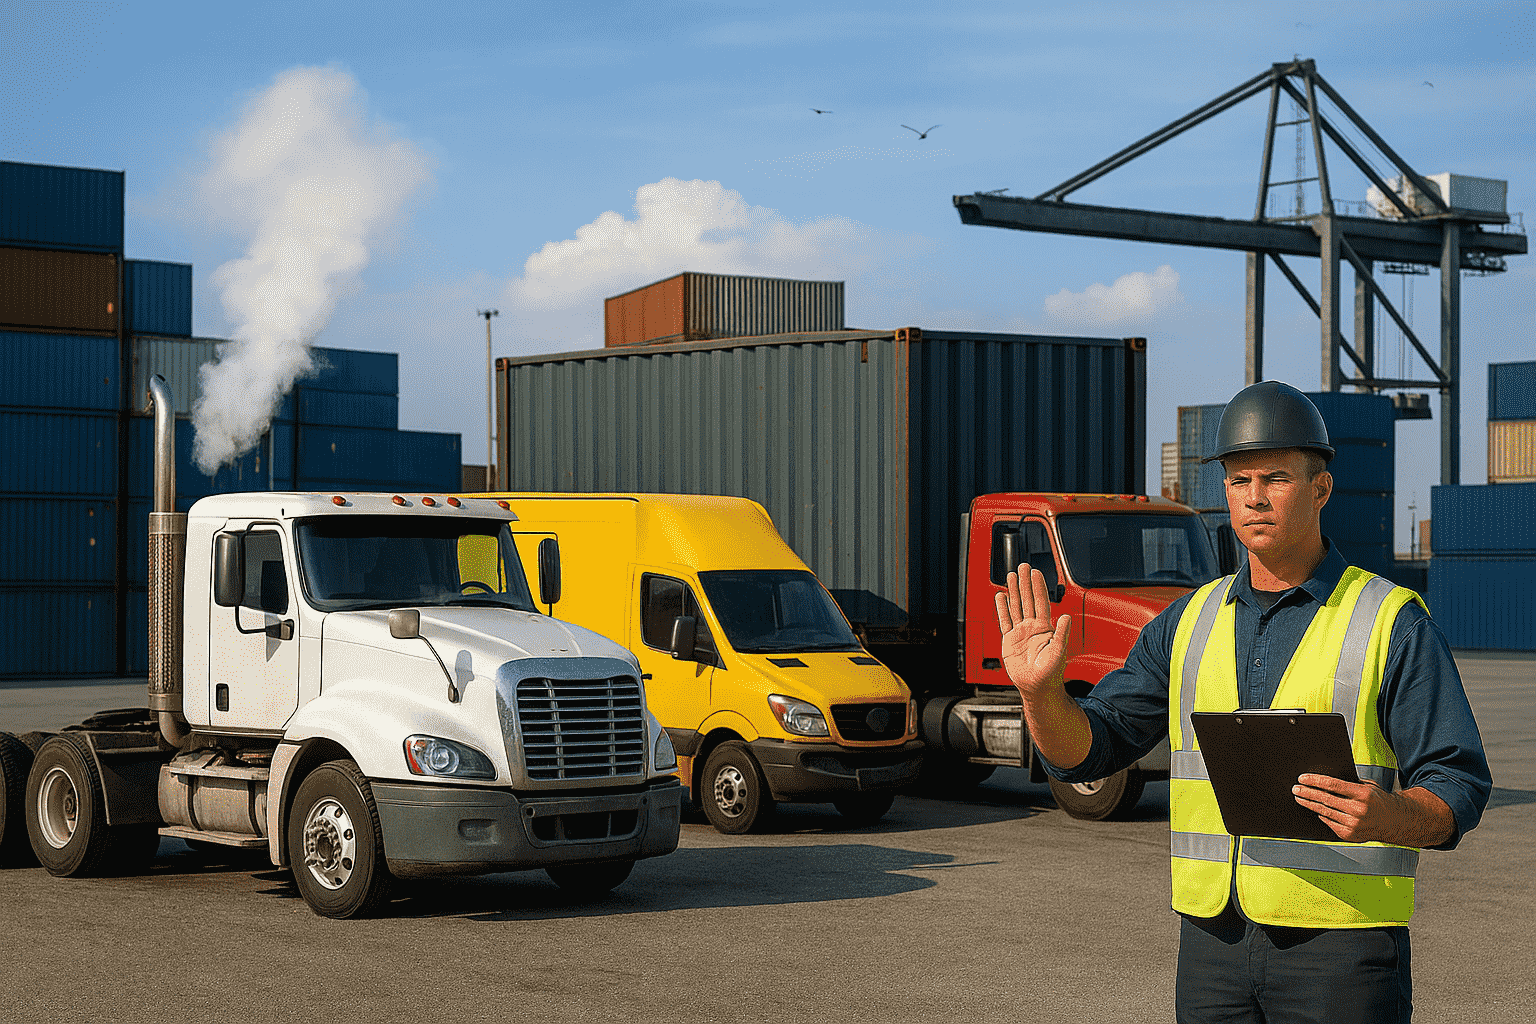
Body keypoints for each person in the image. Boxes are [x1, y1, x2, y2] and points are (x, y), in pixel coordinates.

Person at [996, 380, 1491, 1024]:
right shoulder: (1187, 621)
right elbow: (1088, 753)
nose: (1254, 498)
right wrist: (1041, 695)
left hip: (1341, 951)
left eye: (1275, 478)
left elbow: (1456, 781)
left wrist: (1394, 818)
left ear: (1321, 488)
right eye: (1239, 480)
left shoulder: (1390, 621)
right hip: (1214, 948)